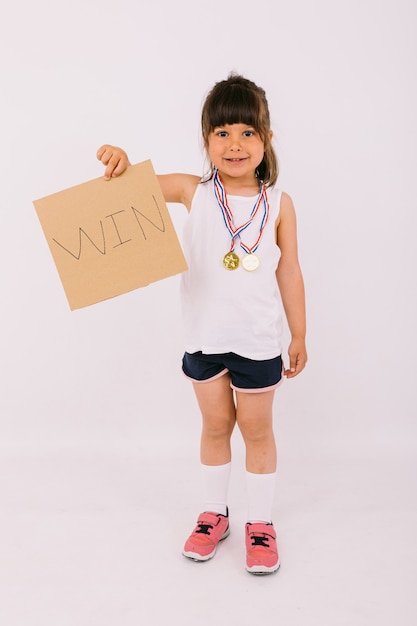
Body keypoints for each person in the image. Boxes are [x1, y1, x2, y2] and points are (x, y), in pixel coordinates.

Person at [97, 74, 307, 575]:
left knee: (257, 430)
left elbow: (290, 269)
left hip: (257, 343)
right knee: (215, 425)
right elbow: (133, 186)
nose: (235, 144)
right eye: (222, 133)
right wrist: (120, 162)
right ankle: (216, 514)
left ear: (267, 140)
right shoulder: (194, 192)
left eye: (247, 132)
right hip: (205, 340)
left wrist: (299, 333)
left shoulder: (279, 204)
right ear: (206, 140)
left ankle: (261, 523)